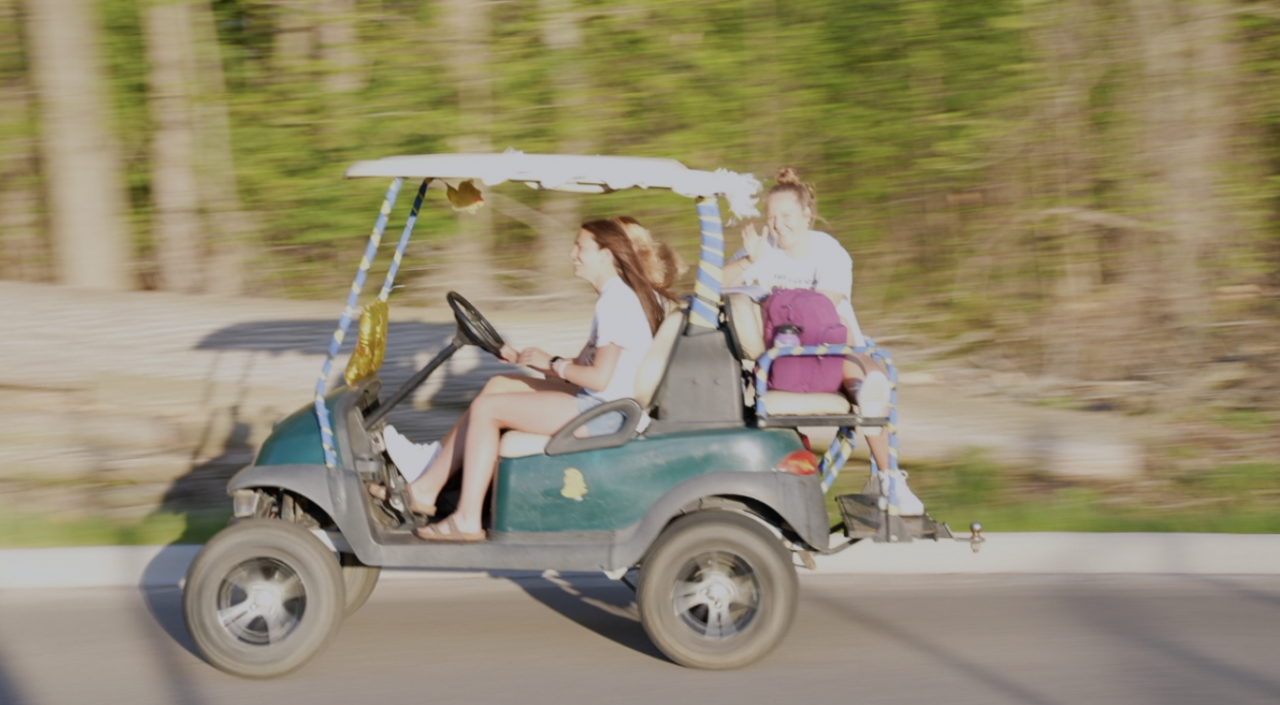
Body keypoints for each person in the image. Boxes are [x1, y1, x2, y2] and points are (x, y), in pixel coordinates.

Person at [371, 218, 676, 541]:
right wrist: (524, 358)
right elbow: (590, 365)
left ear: (606, 253)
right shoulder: (617, 296)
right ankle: (426, 479)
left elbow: (599, 378)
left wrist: (554, 363)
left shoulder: (615, 302)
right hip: (605, 402)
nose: (572, 253)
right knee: (500, 384)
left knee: (489, 410)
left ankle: (466, 518)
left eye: (580, 247)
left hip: (607, 411)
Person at [724, 167, 923, 515]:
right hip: (783, 356)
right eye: (771, 218)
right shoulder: (763, 249)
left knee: (870, 381)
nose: (777, 225)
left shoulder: (829, 251)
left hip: (828, 347)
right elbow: (711, 284)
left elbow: (822, 309)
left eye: (785, 216)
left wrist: (771, 286)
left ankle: (889, 478)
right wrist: (748, 261)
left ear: (807, 216)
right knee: (858, 370)